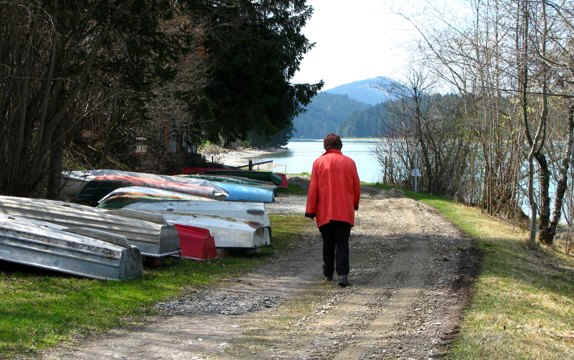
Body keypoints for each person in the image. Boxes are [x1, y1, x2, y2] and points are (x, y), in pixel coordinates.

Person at [305, 133, 360, 287]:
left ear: (325, 146)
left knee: (328, 243)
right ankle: (343, 275)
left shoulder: (318, 163)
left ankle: (328, 273)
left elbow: (313, 189)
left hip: (325, 213)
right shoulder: (350, 163)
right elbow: (356, 187)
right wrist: (354, 204)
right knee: (342, 243)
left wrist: (310, 210)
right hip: (344, 212)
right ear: (340, 145)